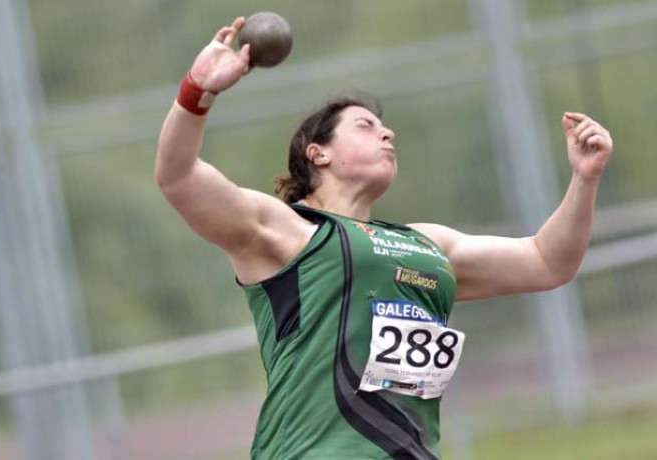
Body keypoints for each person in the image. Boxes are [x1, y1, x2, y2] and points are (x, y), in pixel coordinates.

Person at [155, 17, 613, 460]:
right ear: (319, 153)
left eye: (384, 126)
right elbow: (178, 176)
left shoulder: (427, 246)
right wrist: (198, 91)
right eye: (365, 127)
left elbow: (547, 260)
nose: (387, 132)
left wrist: (584, 179)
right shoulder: (286, 232)